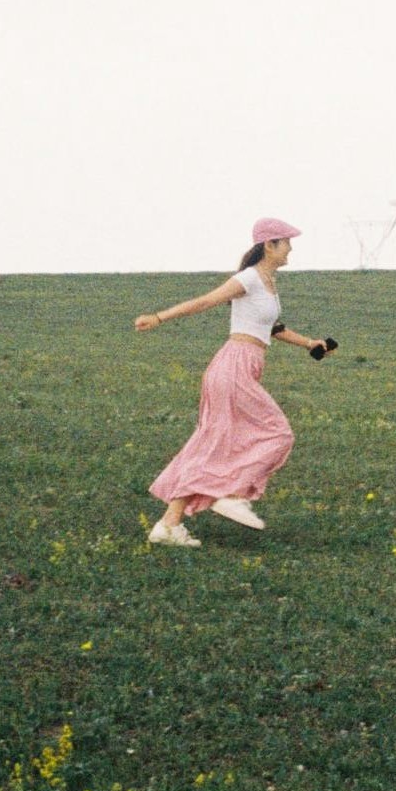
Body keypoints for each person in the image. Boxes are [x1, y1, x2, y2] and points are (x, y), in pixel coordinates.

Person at [136, 217, 335, 547]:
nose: (291, 249)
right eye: (286, 242)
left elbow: (272, 327)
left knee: (211, 445)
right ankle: (231, 494)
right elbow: (205, 301)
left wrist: (309, 343)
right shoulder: (249, 278)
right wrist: (158, 318)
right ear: (269, 245)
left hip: (242, 366)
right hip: (233, 366)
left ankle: (168, 526)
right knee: (278, 433)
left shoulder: (267, 282)